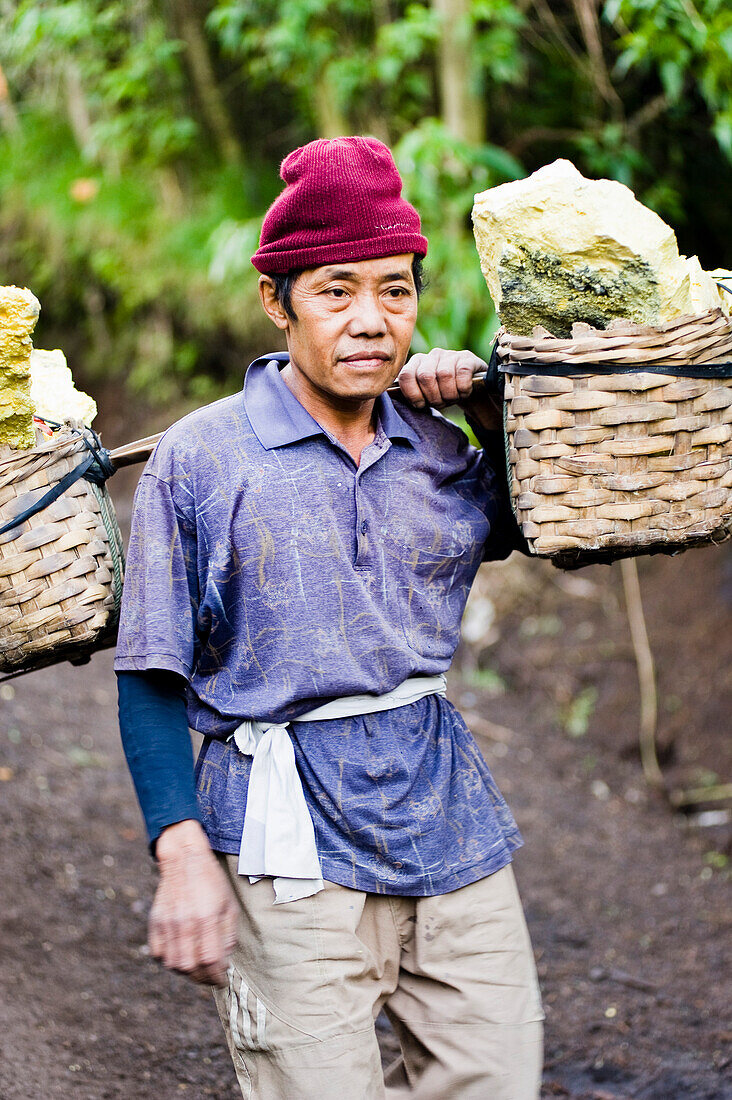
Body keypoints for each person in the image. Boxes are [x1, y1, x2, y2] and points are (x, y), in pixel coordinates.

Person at [115, 136, 544, 1099]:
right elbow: (149, 673)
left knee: (498, 1075)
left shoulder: (434, 446)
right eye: (335, 290)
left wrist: (489, 407)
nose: (370, 322)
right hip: (284, 842)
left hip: (446, 814)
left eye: (395, 291)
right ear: (278, 299)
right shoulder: (202, 460)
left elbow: (541, 519)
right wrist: (179, 852)